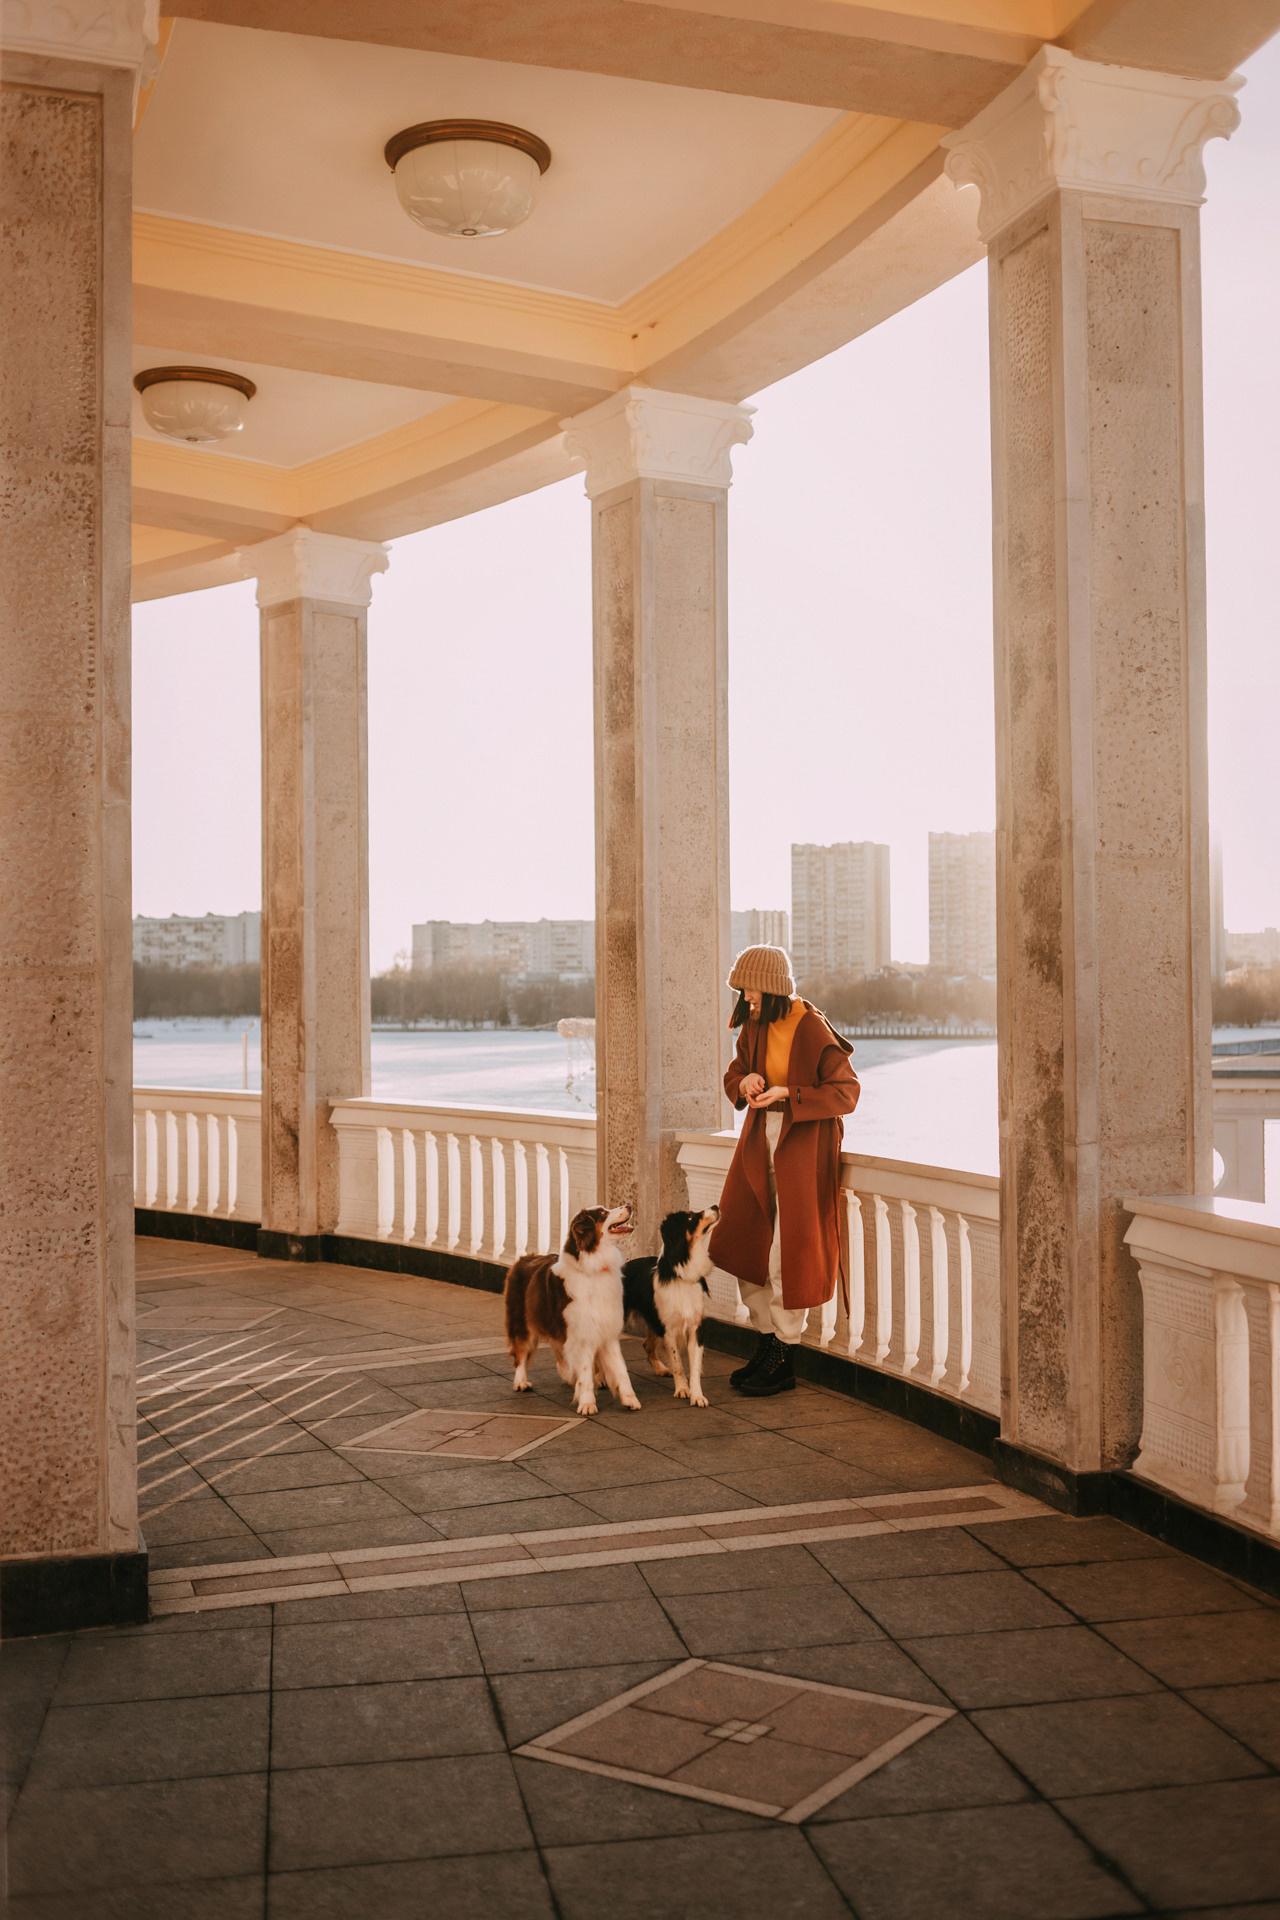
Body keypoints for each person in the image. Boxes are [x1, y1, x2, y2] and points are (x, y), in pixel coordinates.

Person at [708, 945, 860, 1397]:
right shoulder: (754, 1023)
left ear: (770, 985)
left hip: (802, 1147)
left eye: (749, 989)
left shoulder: (810, 1026)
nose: (745, 998)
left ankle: (784, 1352)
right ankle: (766, 1339)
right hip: (759, 1142)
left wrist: (788, 1095)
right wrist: (746, 1083)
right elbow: (735, 1073)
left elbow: (847, 1093)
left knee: (784, 1253)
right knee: (747, 1239)